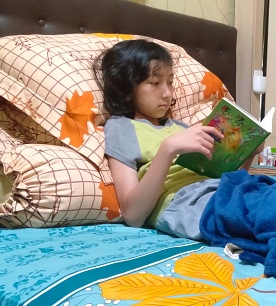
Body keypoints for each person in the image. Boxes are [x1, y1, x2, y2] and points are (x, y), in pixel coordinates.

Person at [95, 39, 260, 239]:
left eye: (170, 82)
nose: (167, 93)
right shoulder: (121, 127)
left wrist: (248, 152)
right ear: (126, 89)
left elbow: (223, 179)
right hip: (185, 203)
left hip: (221, 191)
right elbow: (133, 216)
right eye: (155, 83)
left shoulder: (180, 127)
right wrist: (168, 149)